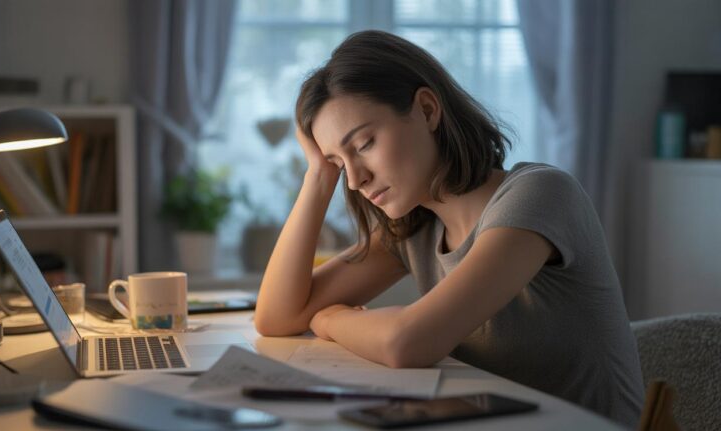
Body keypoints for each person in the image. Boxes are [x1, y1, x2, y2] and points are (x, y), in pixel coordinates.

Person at [254, 30, 644, 427]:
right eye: (339, 162)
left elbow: (406, 342)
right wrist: (318, 177)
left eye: (365, 144)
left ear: (426, 110)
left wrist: (329, 319)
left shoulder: (541, 194)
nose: (354, 180)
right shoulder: (415, 229)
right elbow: (275, 317)